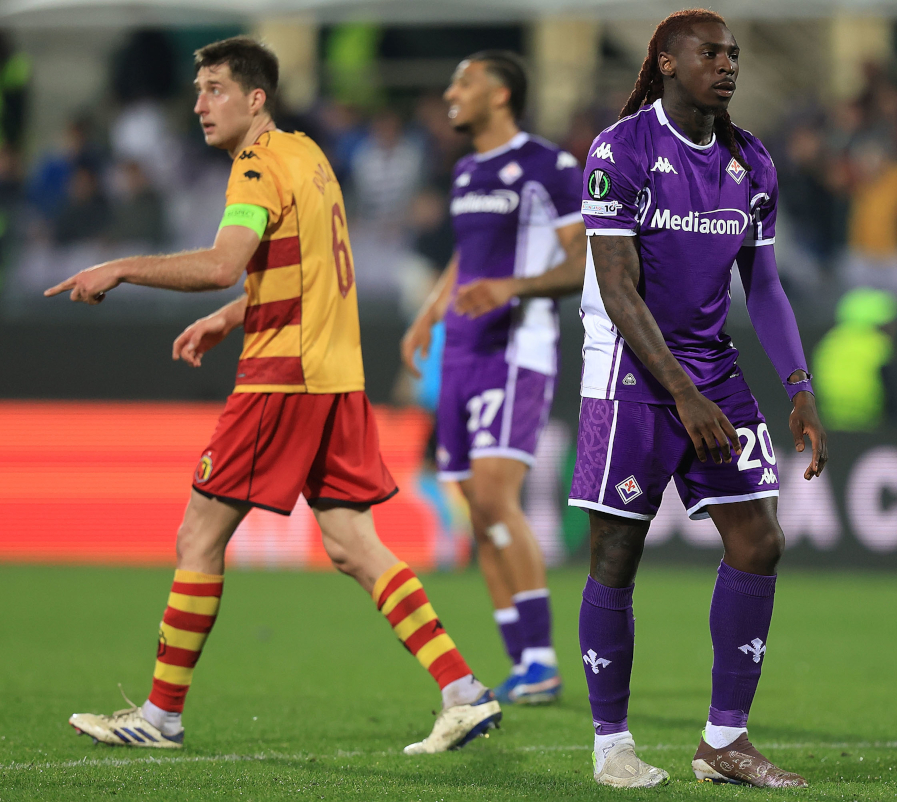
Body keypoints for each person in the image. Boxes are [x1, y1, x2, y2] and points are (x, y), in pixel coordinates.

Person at [46, 37, 500, 755]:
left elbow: (225, 262)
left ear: (256, 99)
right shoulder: (308, 155)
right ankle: (462, 691)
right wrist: (232, 318)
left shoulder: (255, 167)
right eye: (197, 90)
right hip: (337, 375)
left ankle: (160, 716)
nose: (199, 104)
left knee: (199, 534)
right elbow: (302, 266)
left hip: (284, 376)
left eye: (216, 89)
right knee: (354, 544)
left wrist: (121, 266)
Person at [568, 9, 827, 788]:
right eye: (710, 52)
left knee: (759, 542)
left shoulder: (752, 162)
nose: (728, 64)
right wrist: (680, 394)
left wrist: (800, 387)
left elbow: (768, 287)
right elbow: (616, 288)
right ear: (668, 63)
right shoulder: (621, 151)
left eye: (735, 53)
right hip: (628, 370)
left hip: (711, 371)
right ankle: (610, 744)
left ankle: (724, 741)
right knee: (617, 556)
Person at [401, 51, 585, 705]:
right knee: (473, 507)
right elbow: (466, 256)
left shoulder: (549, 167)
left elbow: (581, 257)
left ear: (501, 93)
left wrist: (513, 286)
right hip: (462, 351)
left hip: (516, 350)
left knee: (494, 495)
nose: (451, 92)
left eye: (465, 82)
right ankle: (524, 661)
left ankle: (542, 658)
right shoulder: (466, 171)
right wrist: (430, 312)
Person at [812, 287, 897, 432]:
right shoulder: (877, 345)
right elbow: (894, 393)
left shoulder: (828, 343)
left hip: (829, 422)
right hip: (869, 423)